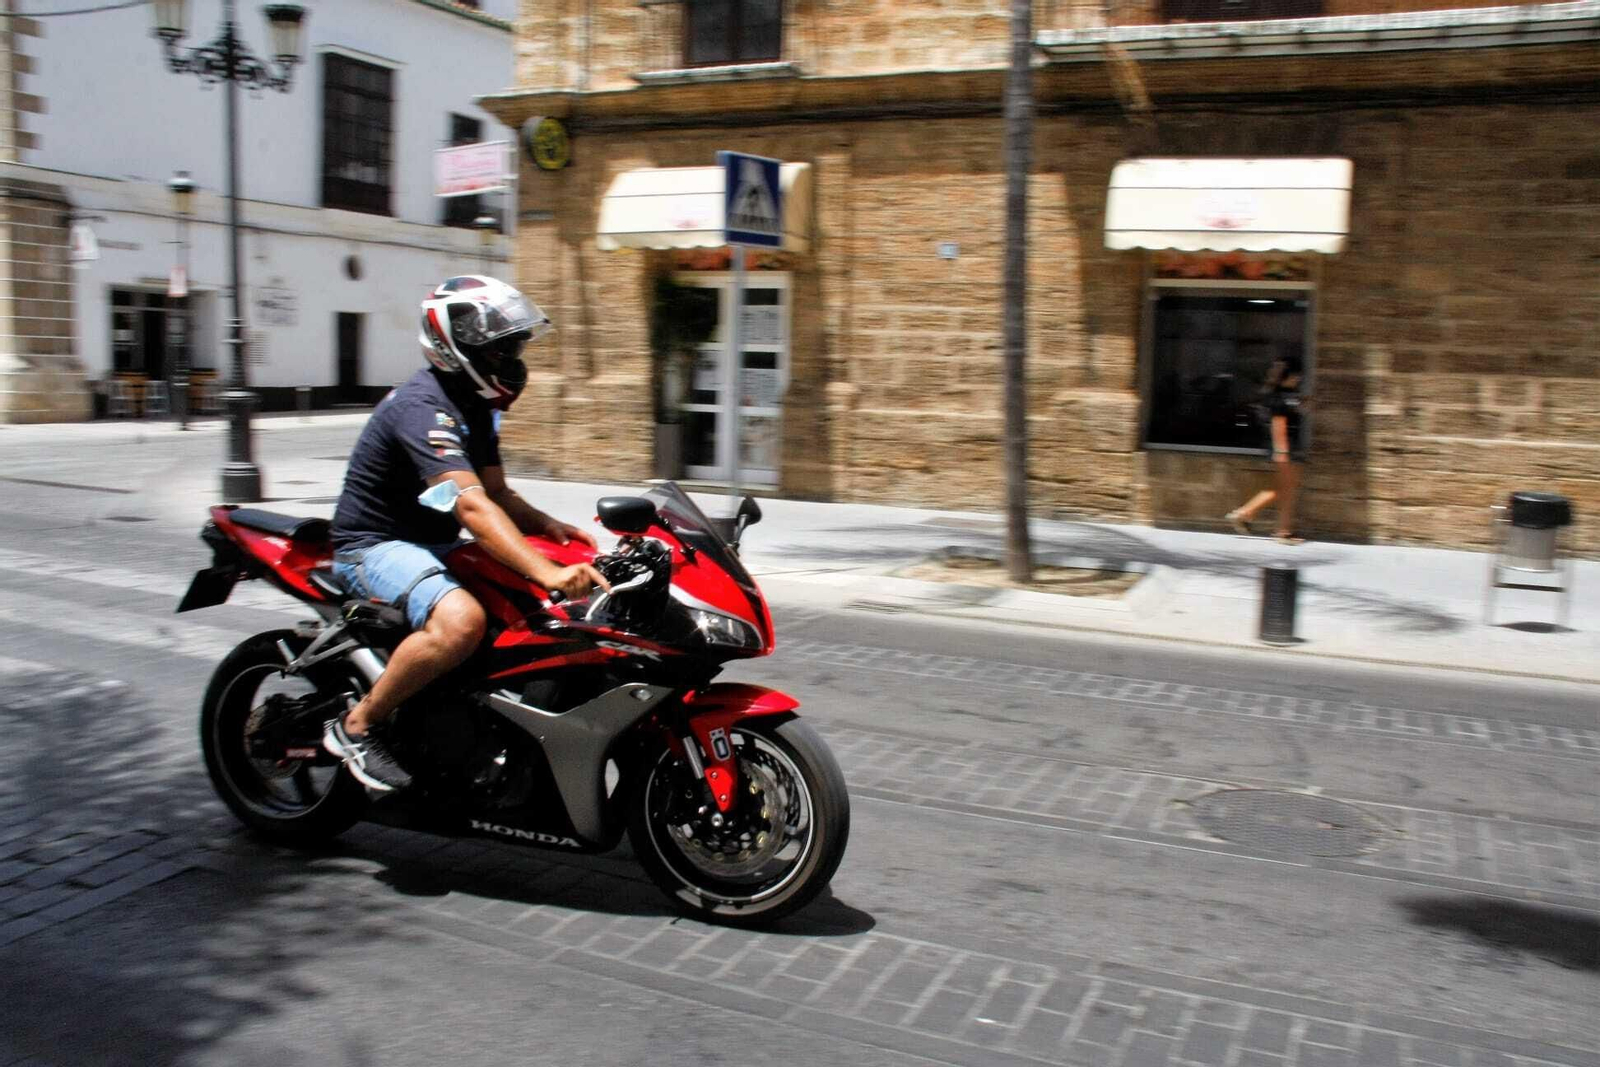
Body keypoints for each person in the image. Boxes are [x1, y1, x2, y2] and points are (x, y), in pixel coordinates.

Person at [322, 275, 609, 792]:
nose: (513, 361)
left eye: (515, 347)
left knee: (537, 613)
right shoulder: (424, 408)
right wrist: (547, 570)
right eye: (503, 349)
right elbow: (471, 506)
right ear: (457, 346)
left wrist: (550, 529)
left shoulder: (473, 407)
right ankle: (358, 725)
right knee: (462, 623)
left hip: (433, 543)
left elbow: (496, 492)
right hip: (373, 545)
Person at [1225, 355, 1307, 545]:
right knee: (1286, 489)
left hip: (1286, 448)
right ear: (1289, 376)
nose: (1299, 378)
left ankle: (1248, 514)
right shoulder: (1280, 398)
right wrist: (1282, 451)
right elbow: (1278, 425)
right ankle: (1279, 530)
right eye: (1296, 376)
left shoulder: (1284, 395)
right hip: (1285, 448)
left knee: (1284, 489)